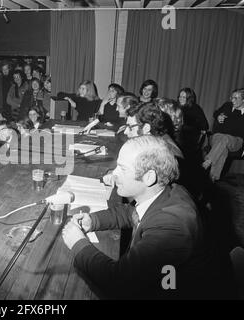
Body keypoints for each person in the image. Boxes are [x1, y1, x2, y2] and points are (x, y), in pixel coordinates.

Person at [62, 135, 237, 299]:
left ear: (149, 177)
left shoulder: (172, 225)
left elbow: (118, 282)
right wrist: (93, 221)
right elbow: (129, 212)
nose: (114, 174)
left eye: (122, 168)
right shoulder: (166, 191)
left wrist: (78, 243)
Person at [203, 88, 244, 181]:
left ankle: (208, 161)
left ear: (243, 100)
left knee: (224, 139)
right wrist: (218, 116)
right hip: (217, 137)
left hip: (236, 141)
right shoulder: (227, 106)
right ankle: (212, 178)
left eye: (236, 98)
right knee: (223, 147)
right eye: (232, 97)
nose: (233, 100)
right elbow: (216, 113)